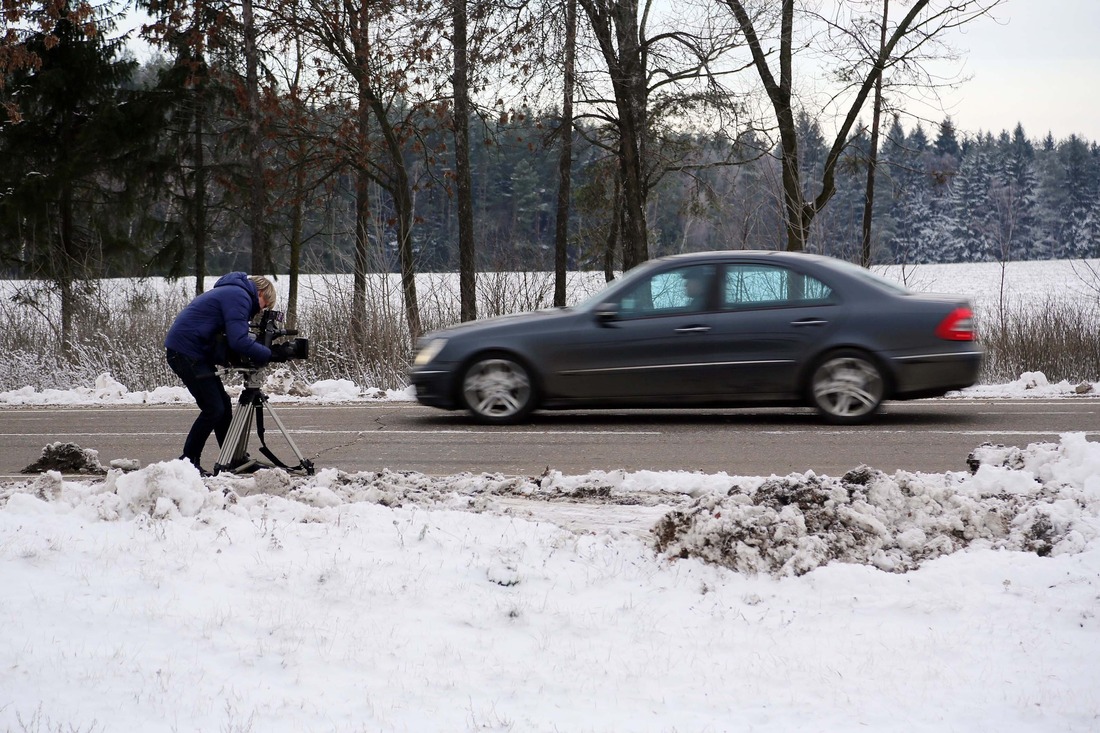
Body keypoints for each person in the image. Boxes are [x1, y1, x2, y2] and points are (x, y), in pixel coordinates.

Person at [164, 273, 276, 475]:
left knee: (222, 405)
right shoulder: (239, 296)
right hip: (186, 353)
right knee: (213, 408)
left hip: (191, 352)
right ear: (259, 293)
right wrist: (269, 354)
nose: (261, 310)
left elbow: (227, 339)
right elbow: (238, 341)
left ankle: (233, 459)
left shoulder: (232, 292)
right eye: (264, 304)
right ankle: (188, 463)